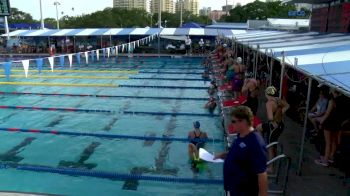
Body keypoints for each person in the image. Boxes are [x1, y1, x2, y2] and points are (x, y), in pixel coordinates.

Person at [215, 106, 268, 196]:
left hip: (245, 191)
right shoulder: (241, 136)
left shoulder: (255, 143)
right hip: (236, 188)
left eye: (233, 121)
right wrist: (222, 155)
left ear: (244, 121)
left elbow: (262, 173)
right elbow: (239, 154)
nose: (231, 124)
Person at [316, 89, 348, 166]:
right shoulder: (344, 101)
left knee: (328, 142)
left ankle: (325, 160)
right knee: (333, 141)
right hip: (337, 123)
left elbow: (327, 113)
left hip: (329, 122)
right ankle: (331, 156)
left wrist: (321, 121)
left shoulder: (332, 101)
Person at [257, 86, 289, 161]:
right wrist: (280, 113)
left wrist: (274, 118)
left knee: (271, 145)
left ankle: (271, 166)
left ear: (267, 94)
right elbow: (287, 106)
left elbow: (270, 118)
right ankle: (263, 147)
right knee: (259, 128)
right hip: (280, 125)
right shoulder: (278, 100)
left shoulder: (269, 103)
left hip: (274, 126)